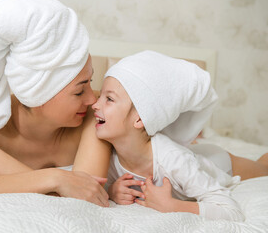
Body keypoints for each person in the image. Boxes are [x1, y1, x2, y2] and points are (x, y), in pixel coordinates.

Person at [0, 0, 111, 207]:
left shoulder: (99, 113)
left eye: (90, 81)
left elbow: (87, 195)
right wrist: (55, 179)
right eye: (79, 91)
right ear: (39, 94)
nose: (93, 98)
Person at [91, 50, 268, 221]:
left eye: (109, 99)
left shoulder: (175, 161)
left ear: (139, 118)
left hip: (218, 162)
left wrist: (172, 206)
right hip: (190, 154)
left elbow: (231, 211)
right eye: (100, 96)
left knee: (264, 167)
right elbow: (96, 185)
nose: (95, 105)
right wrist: (112, 191)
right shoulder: (110, 159)